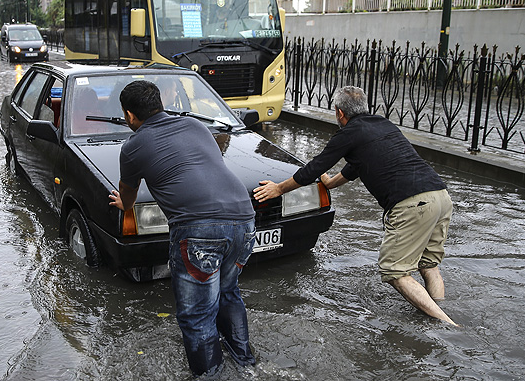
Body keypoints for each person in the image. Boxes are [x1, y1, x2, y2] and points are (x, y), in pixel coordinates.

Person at [253, 85, 458, 326]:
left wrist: (278, 188)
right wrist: (330, 185)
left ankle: (447, 325)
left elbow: (312, 170)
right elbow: (355, 167)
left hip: (413, 204)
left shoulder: (348, 133)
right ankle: (437, 309)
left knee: (395, 272)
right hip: (440, 196)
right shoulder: (383, 124)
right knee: (429, 265)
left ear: (340, 113)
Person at [108, 80, 257, 376]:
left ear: (128, 116)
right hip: (244, 219)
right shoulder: (196, 126)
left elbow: (128, 195)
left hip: (198, 231)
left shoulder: (133, 146)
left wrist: (123, 205)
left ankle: (210, 376)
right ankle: (246, 364)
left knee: (197, 317)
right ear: (160, 103)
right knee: (228, 292)